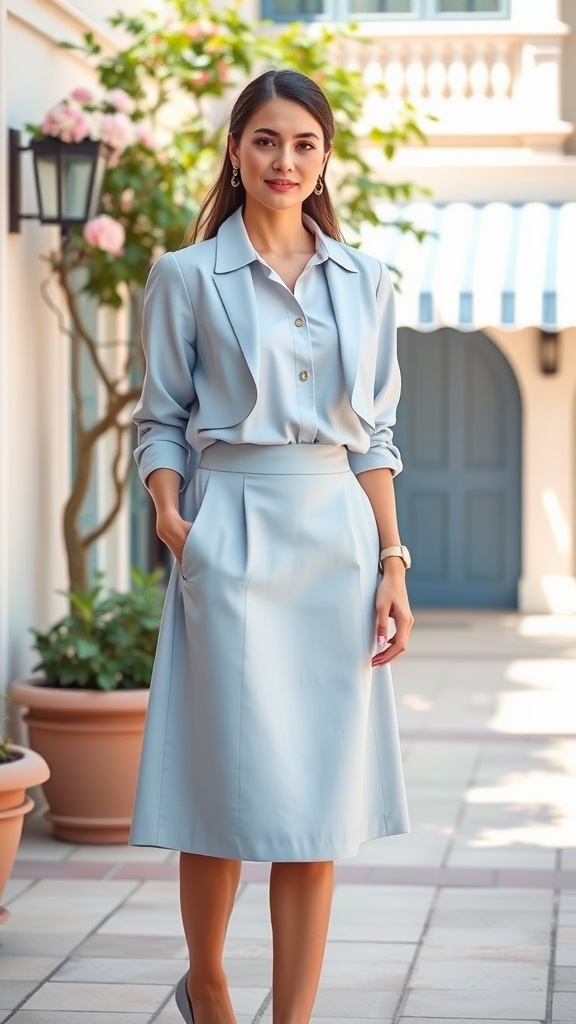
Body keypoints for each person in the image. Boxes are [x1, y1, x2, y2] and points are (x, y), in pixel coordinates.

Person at [131, 68, 413, 1024]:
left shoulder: (368, 280)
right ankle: (207, 985)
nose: (284, 160)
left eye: (302, 143)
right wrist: (175, 520)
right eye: (265, 140)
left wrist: (393, 564)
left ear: (325, 156)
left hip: (336, 539)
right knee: (219, 784)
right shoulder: (183, 276)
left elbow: (373, 438)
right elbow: (160, 419)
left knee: (313, 803)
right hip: (230, 535)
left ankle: (290, 1017)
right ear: (236, 151)